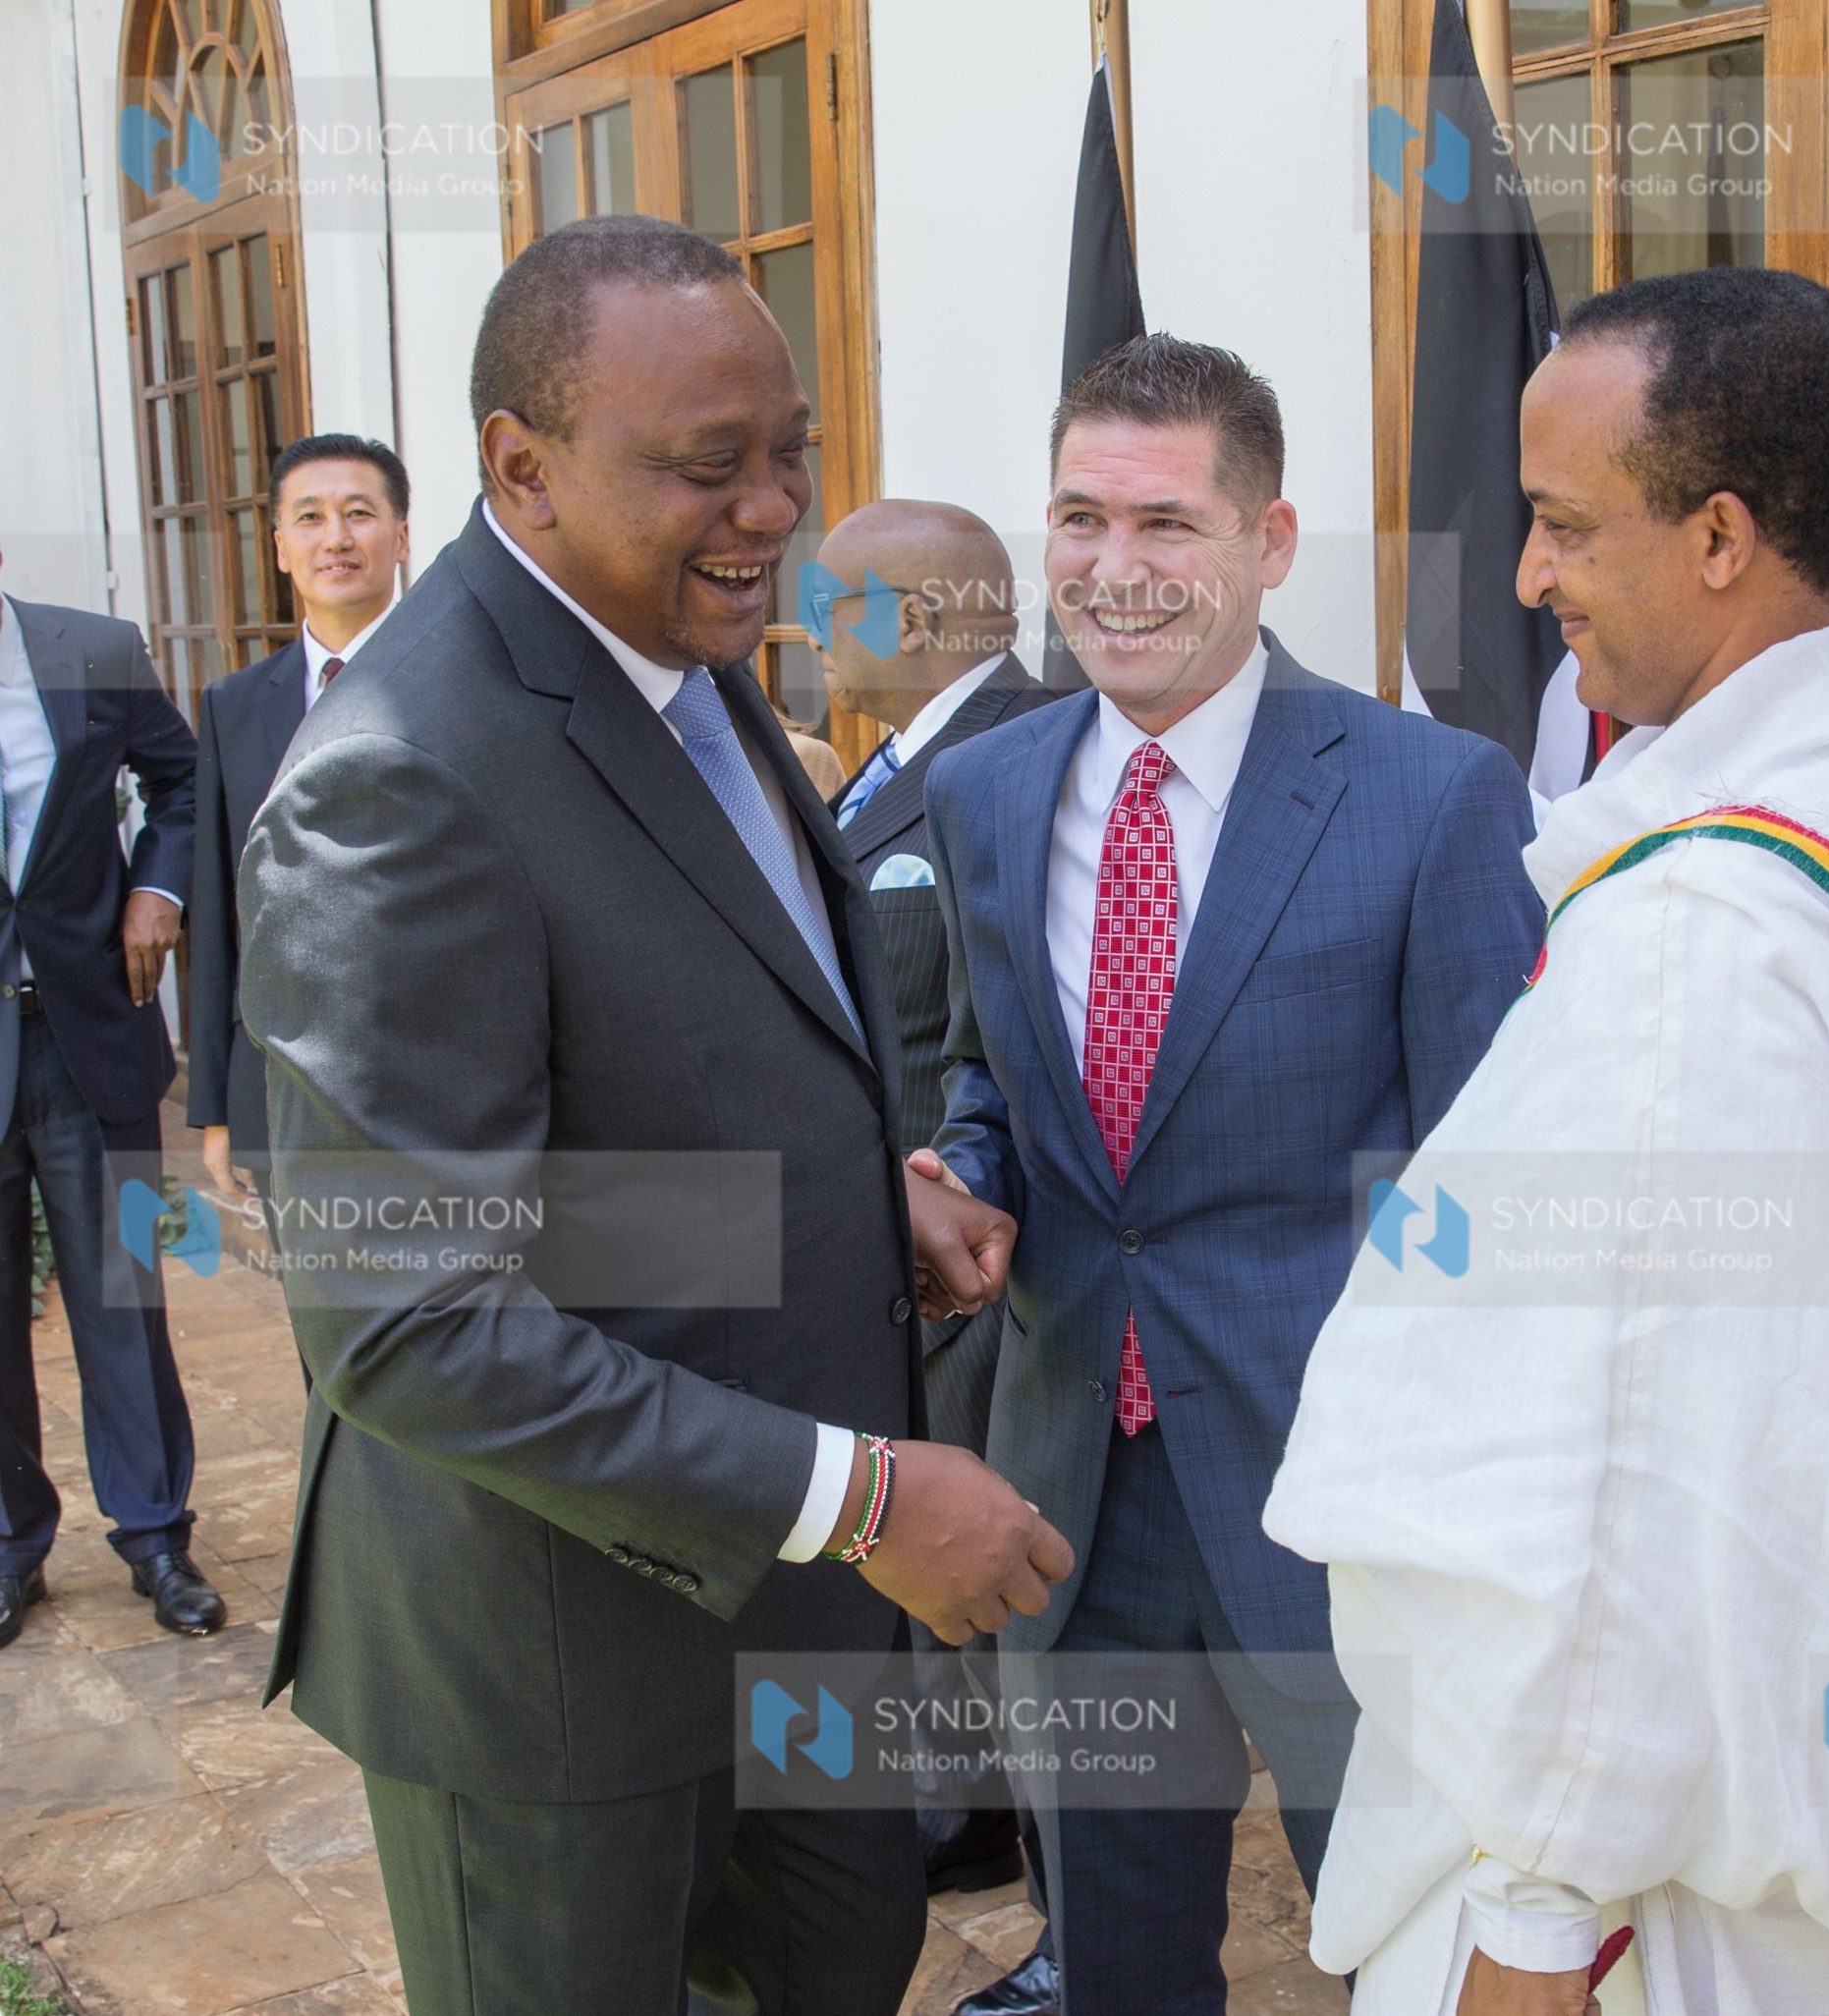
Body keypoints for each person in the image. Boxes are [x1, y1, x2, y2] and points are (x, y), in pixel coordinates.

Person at [237, 214, 1071, 2016]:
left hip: (795, 1652)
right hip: (556, 1679)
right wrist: (862, 1497)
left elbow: (625, 1122)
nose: (772, 509)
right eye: (709, 466)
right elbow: (416, 1318)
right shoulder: (394, 778)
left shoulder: (689, 665)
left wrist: (865, 1201)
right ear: (519, 468)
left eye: (791, 454)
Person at [1264, 268, 1829, 2015]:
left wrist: (1529, 1921)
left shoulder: (1692, 946)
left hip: (1668, 1894)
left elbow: (1609, 1487)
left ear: (1721, 534)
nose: (1528, 577)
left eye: (1565, 524)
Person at [923, 334, 1545, 2016]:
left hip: (1342, 1508)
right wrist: (955, 1167)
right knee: (1119, 1965)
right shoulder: (980, 795)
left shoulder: (1430, 798)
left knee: (1407, 1943)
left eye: (1167, 523)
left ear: (1270, 542)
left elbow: (1497, 1177)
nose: (1114, 571)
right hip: (1076, 1504)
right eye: (1077, 519)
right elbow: (999, 1072)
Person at [821, 499, 1061, 1924]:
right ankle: (964, 1812)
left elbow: (1014, 1045)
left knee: (1005, 1598)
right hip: (899, 1255)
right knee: (927, 1582)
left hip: (979, 1259)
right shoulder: (887, 768)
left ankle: (1066, 1915)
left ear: (912, 623)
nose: (804, 631)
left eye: (831, 605)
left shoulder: (1026, 760)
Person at [0, 561, 210, 1649]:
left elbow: (182, 782)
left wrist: (154, 887)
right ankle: (10, 1548)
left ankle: (157, 1538)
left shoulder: (94, 650)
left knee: (123, 1298)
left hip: (91, 1029)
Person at [191, 433, 411, 1205]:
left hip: (442, 1091)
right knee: (322, 1324)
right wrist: (221, 1109)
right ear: (281, 547)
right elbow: (223, 911)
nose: (338, 538)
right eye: (311, 518)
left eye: (360, 513)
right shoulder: (234, 707)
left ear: (402, 536)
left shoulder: (469, 685)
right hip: (291, 1097)